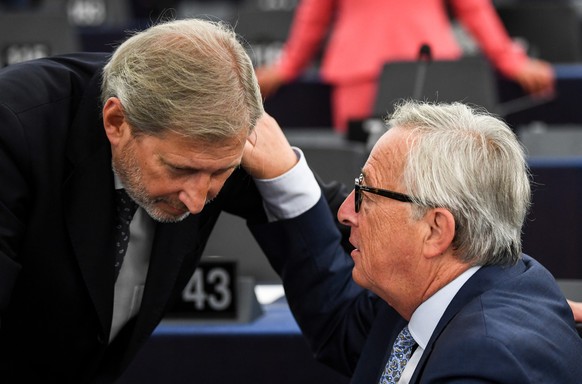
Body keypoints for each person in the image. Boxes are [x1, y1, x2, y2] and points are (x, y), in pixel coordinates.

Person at [0, 17, 345, 383]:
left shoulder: (212, 149)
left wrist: (285, 171)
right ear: (116, 122)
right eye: (179, 169)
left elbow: (345, 216)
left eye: (218, 175)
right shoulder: (13, 129)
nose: (197, 200)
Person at [251, 99, 582, 382]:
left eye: (366, 192)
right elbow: (342, 326)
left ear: (435, 230)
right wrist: (282, 176)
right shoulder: (463, 284)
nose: (345, 212)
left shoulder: (483, 362)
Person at [256, 0, 555, 132]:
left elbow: (314, 15)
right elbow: (314, 13)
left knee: (427, 174)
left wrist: (511, 60)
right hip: (413, 70)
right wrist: (287, 66)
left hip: (389, 70)